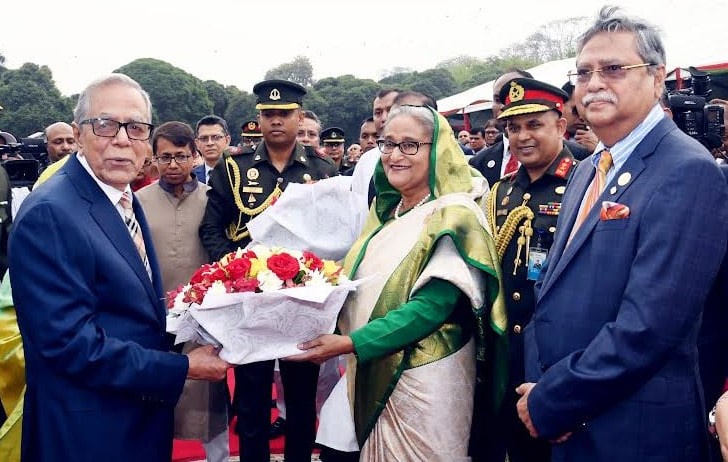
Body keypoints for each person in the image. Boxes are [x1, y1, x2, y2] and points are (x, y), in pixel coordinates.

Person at [516, 7, 728, 462]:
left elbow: (650, 327)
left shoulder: (687, 169)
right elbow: (550, 288)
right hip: (568, 418)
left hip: (634, 431)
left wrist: (553, 399)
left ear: (656, 79)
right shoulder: (589, 168)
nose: (594, 82)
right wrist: (542, 385)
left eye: (613, 69)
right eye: (584, 72)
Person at [7, 73, 230, 461]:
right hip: (87, 433)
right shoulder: (51, 213)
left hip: (133, 420)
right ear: (78, 134)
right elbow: (68, 346)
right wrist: (180, 368)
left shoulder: (123, 196)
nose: (123, 139)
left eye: (137, 127)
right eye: (106, 125)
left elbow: (128, 311)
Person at [289, 105, 507, 461]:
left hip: (425, 377)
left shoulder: (454, 214)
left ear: (437, 149)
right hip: (369, 366)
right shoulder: (387, 214)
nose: (394, 155)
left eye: (410, 145)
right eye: (387, 144)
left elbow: (432, 307)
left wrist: (349, 343)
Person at [199, 79, 338, 462]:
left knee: (300, 399)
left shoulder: (322, 169)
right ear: (259, 119)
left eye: (284, 114)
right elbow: (211, 227)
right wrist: (235, 270)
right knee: (252, 399)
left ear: (299, 117)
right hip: (250, 305)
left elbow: (334, 237)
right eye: (268, 115)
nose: (276, 121)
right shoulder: (234, 166)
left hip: (302, 306)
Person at [477, 77, 578, 462]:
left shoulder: (583, 181)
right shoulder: (501, 191)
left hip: (557, 349)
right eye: (513, 127)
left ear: (560, 125)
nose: (522, 136)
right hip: (506, 347)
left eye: (534, 124)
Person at [136, 120, 230, 462]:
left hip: (203, 315)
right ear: (154, 159)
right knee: (155, 394)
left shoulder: (213, 200)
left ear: (194, 156)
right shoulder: (137, 201)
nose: (172, 165)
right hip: (154, 316)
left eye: (180, 156)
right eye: (164, 157)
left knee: (207, 397)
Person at [193, 115, 231, 185]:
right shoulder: (190, 177)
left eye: (216, 137)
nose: (210, 143)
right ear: (197, 143)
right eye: (204, 138)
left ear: (227, 140)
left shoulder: (240, 174)